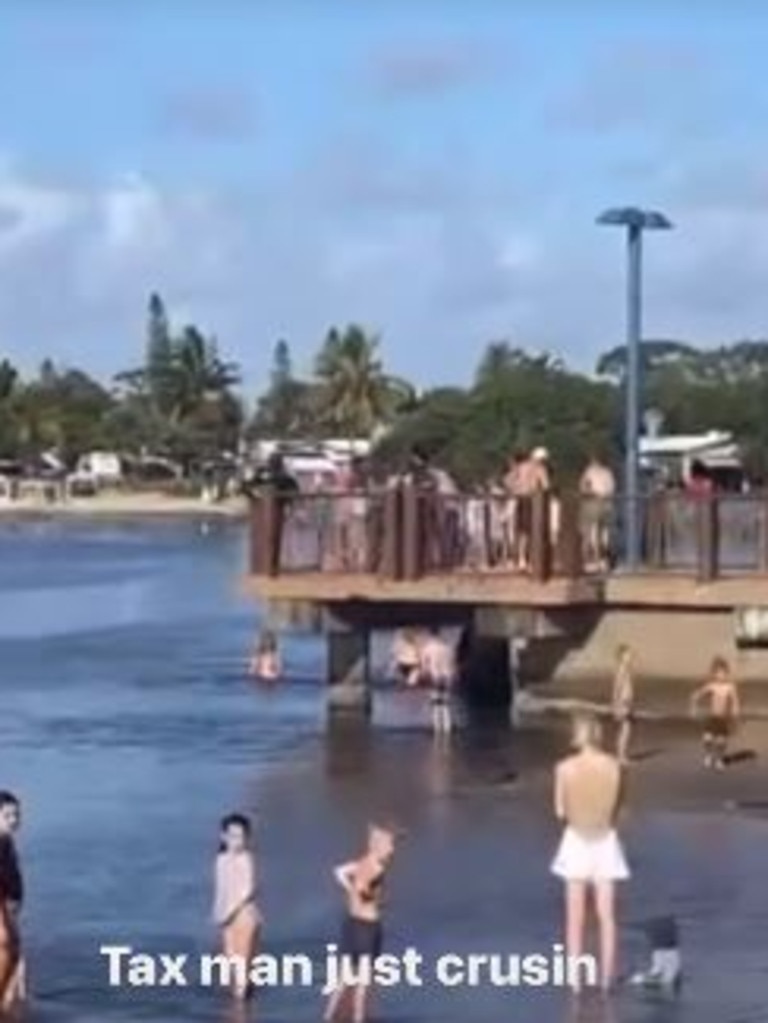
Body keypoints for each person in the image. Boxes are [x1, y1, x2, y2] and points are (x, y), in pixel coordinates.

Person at [552, 714, 628, 992]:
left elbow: (560, 810)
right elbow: (619, 805)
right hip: (606, 839)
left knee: (575, 917)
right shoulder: (615, 767)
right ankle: (606, 978)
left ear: (577, 736)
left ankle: (575, 981)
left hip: (576, 840)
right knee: (607, 916)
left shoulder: (564, 768)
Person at [325, 824, 396, 1023]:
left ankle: (328, 1017)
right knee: (363, 984)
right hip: (367, 929)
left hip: (351, 924)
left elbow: (338, 871)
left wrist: (351, 889)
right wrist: (372, 897)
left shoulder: (361, 862)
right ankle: (358, 1019)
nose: (392, 850)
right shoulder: (377, 868)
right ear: (376, 846)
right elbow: (363, 887)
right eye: (389, 845)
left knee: (343, 980)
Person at [213, 814, 261, 1000]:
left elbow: (248, 889)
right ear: (223, 836)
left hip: (244, 915)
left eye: (241, 836)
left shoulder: (246, 858)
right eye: (232, 836)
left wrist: (228, 912)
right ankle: (243, 1004)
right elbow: (221, 889)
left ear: (247, 838)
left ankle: (241, 1008)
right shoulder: (221, 859)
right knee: (230, 960)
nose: (237, 841)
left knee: (241, 966)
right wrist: (217, 914)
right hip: (227, 915)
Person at [690, 656, 741, 769]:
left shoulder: (730, 687)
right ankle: (708, 756)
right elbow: (696, 695)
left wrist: (735, 713)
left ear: (727, 673)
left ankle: (719, 759)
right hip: (712, 717)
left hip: (723, 718)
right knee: (707, 738)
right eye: (718, 673)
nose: (721, 676)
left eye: (723, 673)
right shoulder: (712, 686)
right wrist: (693, 708)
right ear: (714, 674)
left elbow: (735, 701)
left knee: (721, 742)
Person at [0, 792, 23, 1012]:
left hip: (9, 907)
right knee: (7, 947)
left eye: (17, 815)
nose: (14, 820)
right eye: (7, 816)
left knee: (14, 953)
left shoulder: (7, 843)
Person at [579, 456, 616, 569]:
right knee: (602, 534)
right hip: (606, 505)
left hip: (592, 504)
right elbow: (611, 489)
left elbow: (583, 488)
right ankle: (601, 560)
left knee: (589, 534)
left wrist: (593, 493)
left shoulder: (588, 472)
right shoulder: (607, 473)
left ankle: (589, 561)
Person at [419, 628, 456, 737]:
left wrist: (424, 675)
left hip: (435, 677)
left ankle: (437, 728)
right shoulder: (447, 647)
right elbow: (452, 662)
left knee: (436, 704)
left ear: (430, 635)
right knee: (446, 704)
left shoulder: (428, 648)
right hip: (447, 676)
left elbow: (424, 664)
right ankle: (447, 728)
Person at [612, 645, 635, 766]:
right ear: (622, 656)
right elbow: (617, 687)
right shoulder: (622, 669)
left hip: (627, 702)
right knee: (626, 730)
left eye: (630, 654)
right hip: (623, 703)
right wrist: (616, 705)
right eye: (628, 654)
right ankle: (621, 756)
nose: (631, 656)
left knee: (626, 730)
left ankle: (621, 755)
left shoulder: (626, 668)